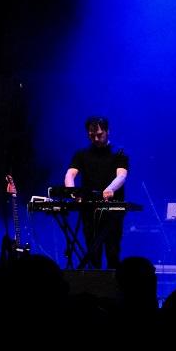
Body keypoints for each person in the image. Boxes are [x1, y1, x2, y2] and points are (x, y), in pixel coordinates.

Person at [63, 115, 129, 269]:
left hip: (112, 210)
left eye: (100, 135)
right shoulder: (81, 154)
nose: (96, 139)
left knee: (112, 251)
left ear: (108, 131)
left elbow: (122, 176)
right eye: (92, 136)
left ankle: (113, 287)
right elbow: (70, 174)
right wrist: (73, 192)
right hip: (89, 209)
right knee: (92, 252)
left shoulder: (119, 153)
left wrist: (110, 189)